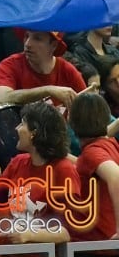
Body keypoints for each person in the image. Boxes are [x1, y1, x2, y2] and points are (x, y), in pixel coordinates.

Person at [0, 101, 79, 243]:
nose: (17, 128)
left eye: (22, 124)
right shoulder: (17, 162)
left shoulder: (63, 170)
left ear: (34, 133)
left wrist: (29, 235)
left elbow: (66, 232)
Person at [0, 30, 85, 115]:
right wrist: (48, 90)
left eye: (37, 38)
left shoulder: (68, 70)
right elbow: (2, 98)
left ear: (53, 45)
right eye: (27, 36)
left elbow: (88, 108)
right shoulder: (10, 64)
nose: (27, 44)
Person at [70, 92, 119, 241]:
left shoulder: (92, 152)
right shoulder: (110, 145)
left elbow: (116, 176)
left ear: (71, 120)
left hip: (98, 243)